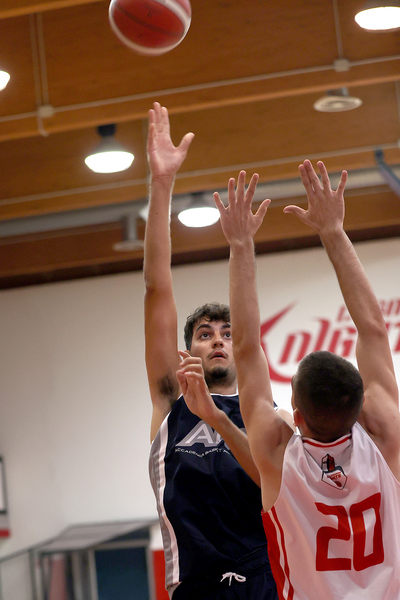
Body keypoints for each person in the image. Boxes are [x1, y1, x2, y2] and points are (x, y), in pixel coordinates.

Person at [202, 161, 400, 599]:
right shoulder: (386, 435)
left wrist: (241, 245)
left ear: (295, 414)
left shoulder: (278, 453)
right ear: (360, 406)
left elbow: (246, 350)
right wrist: (334, 231)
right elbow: (373, 328)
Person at [144, 102, 283, 599]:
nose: (219, 339)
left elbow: (271, 483)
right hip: (196, 586)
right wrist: (162, 184)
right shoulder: (171, 402)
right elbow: (156, 290)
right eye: (204, 333)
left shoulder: (264, 412)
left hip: (265, 580)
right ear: (187, 352)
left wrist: (241, 246)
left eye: (226, 332)